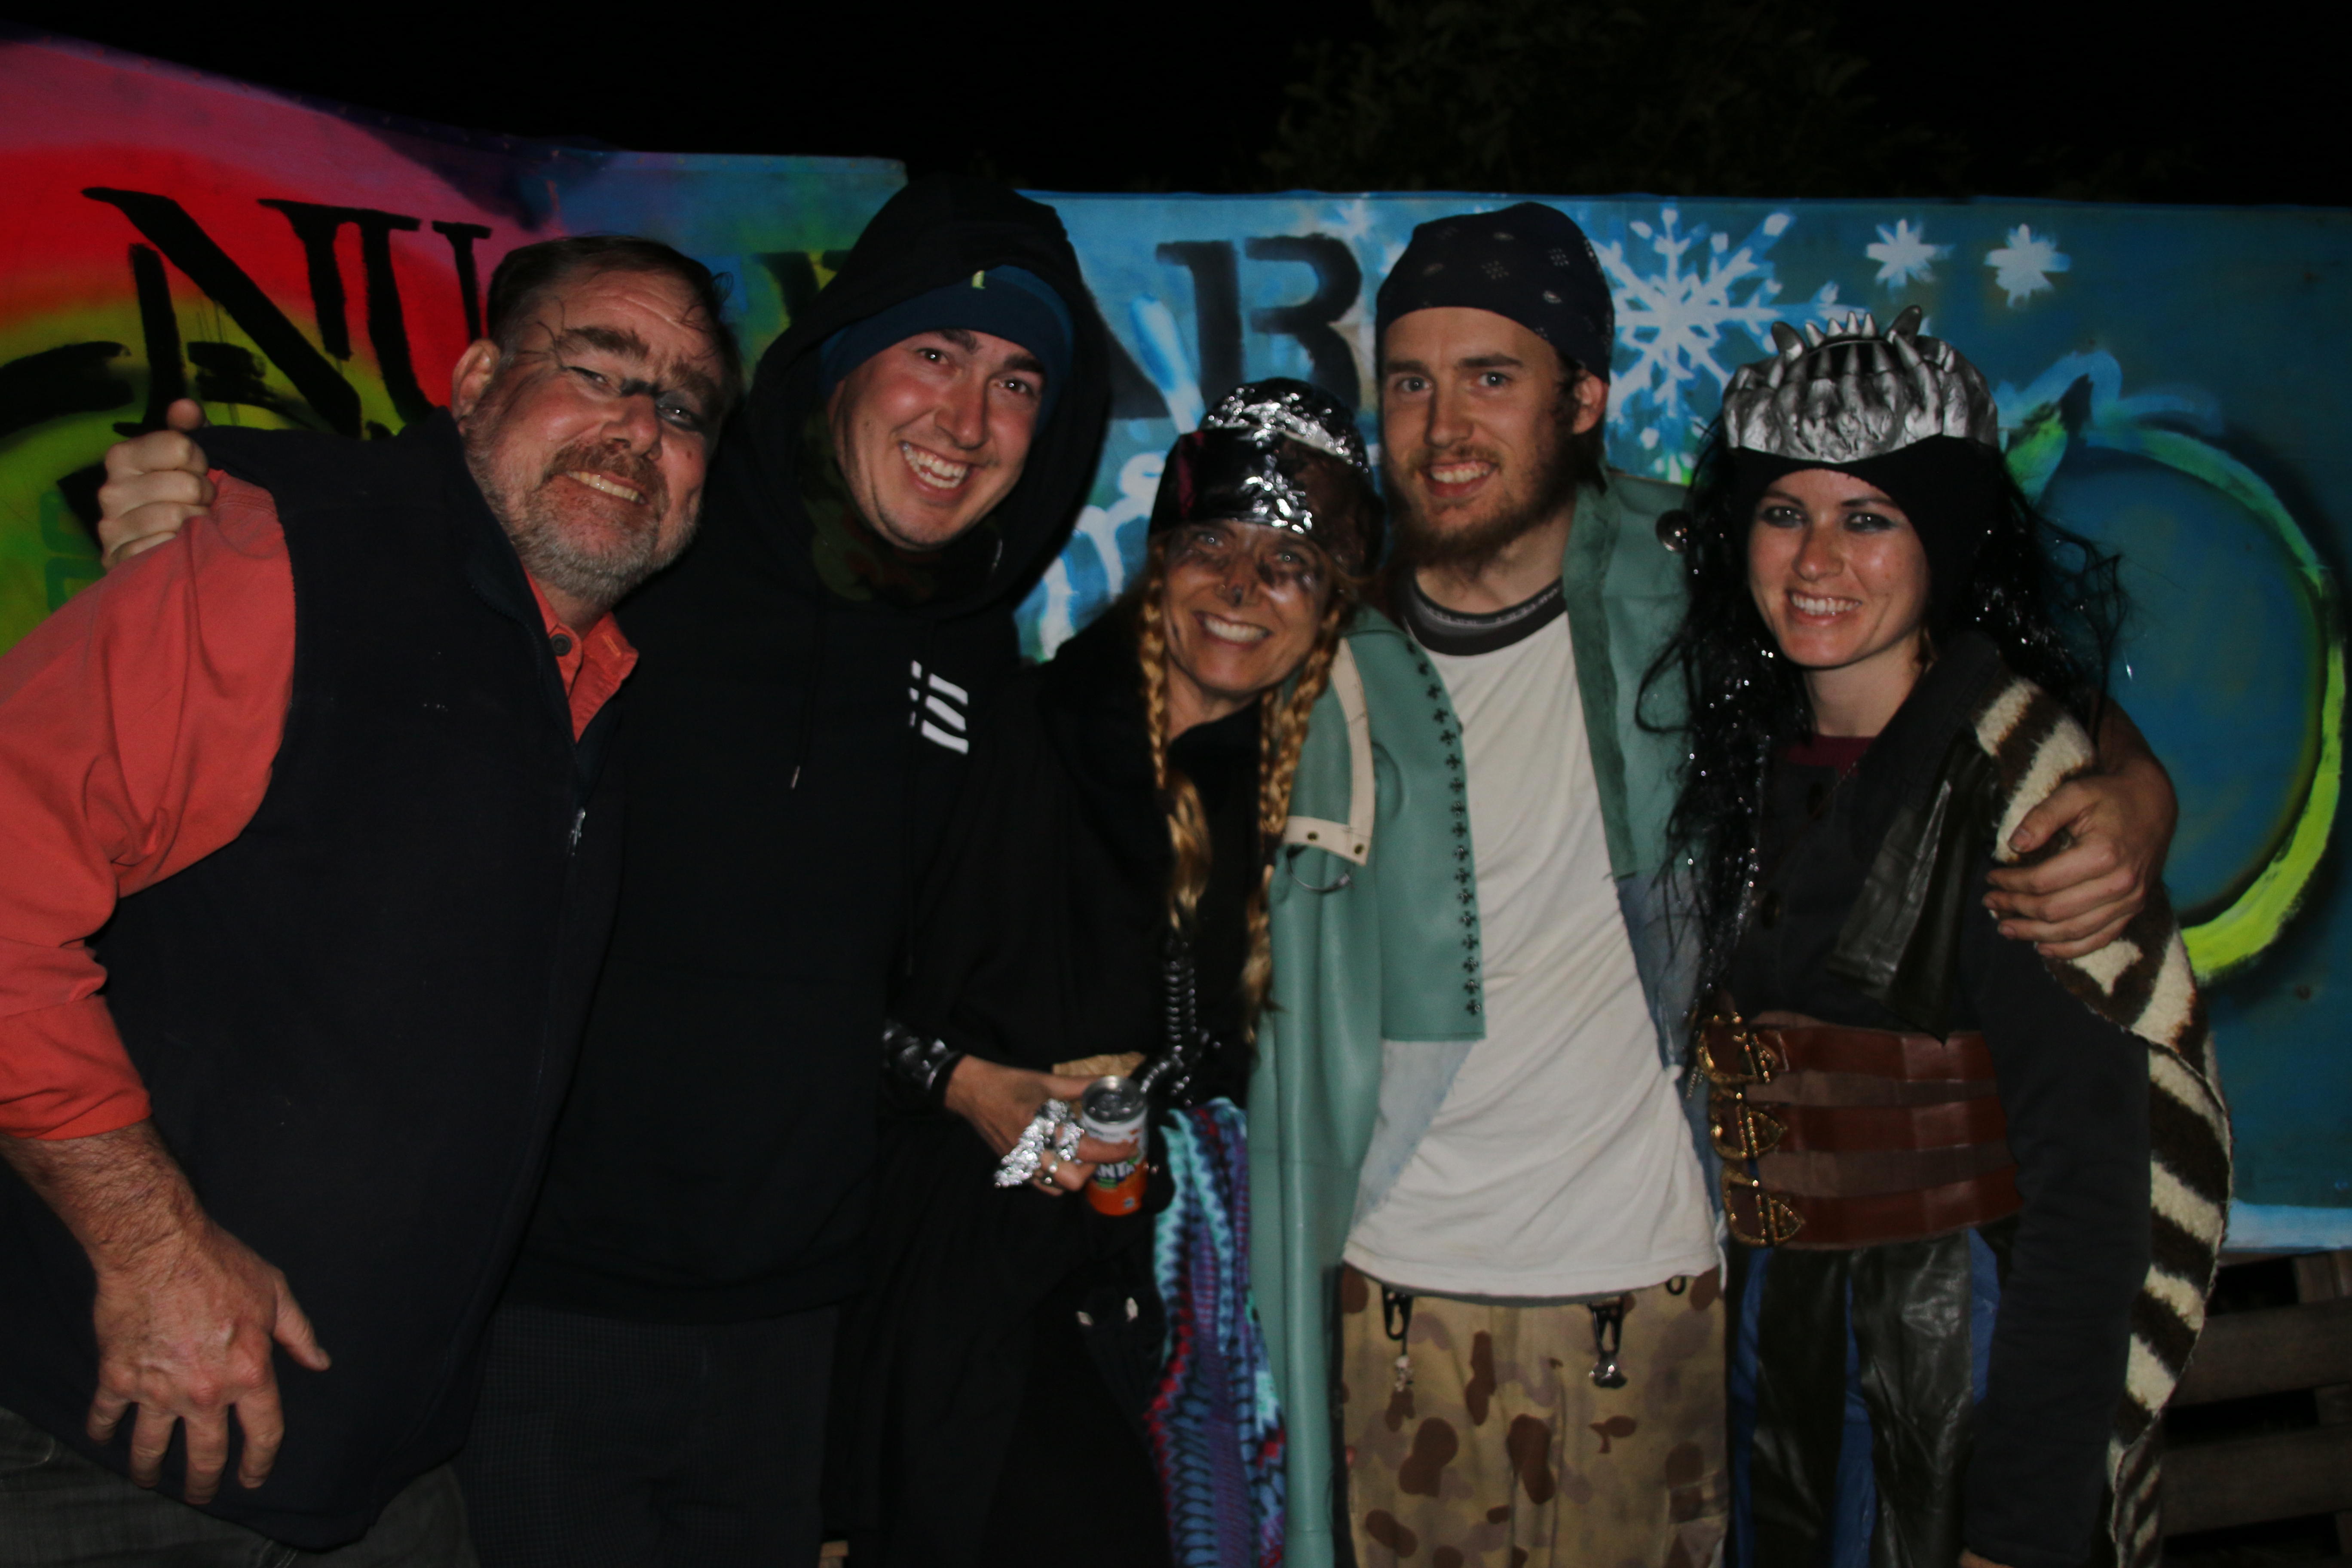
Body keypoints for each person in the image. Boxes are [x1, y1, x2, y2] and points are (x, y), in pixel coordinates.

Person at [92, 175, 1112, 1562]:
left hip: (792, 1323)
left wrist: (961, 1082)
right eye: (934, 352)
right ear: (842, 361)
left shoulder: (974, 653)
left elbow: (902, 965)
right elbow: (431, 522)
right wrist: (209, 492)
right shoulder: (646, 538)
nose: (968, 417)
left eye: (1019, 382)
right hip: (541, 1303)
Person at [1243, 205, 2185, 1568]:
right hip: (1466, 1318)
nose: (1445, 424)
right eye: (1410, 380)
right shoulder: (1330, 649)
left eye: (1492, 376)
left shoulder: (1683, 583)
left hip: (1695, 1318)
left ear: (1584, 398)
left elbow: (1979, 650)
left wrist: (2134, 782)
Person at [0, 235, 738, 1562]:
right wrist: (152, 1249)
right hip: (104, 1451)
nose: (639, 427)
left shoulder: (600, 680)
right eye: (596, 369)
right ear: (475, 382)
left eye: (684, 408)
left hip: (382, 1479)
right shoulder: (279, 560)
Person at [1651, 310, 2230, 1568]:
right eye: (1784, 511)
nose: (1817, 558)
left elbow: (2095, 1199)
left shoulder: (2031, 797)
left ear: (1947, 539)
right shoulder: (1750, 756)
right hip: (1779, 1358)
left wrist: (2018, 1532)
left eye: (1869, 517)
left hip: (1950, 1378)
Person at [828, 379, 1385, 1567]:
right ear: (1161, 560)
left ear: (1331, 605)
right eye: (1213, 546)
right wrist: (965, 1083)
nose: (1241, 588)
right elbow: (822, 990)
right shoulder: (1006, 733)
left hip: (1184, 1303)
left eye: (1288, 563)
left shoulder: (1310, 811)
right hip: (978, 1299)